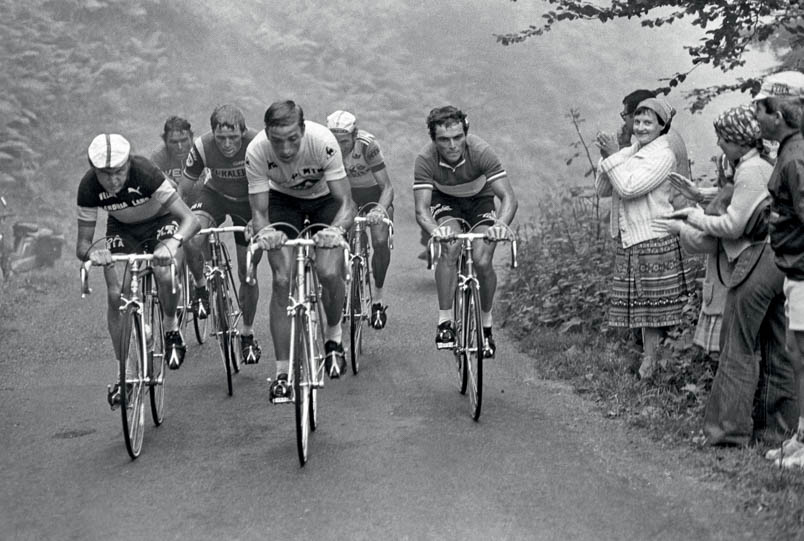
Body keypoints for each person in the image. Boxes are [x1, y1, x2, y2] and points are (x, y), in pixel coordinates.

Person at [656, 105, 796, 446]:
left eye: (722, 137)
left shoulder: (749, 170)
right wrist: (701, 195)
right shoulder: (763, 164)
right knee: (777, 347)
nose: (718, 142)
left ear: (737, 140)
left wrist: (690, 218)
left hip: (756, 260)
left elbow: (733, 225)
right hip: (779, 261)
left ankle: (727, 431)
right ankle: (776, 432)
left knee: (737, 346)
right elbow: (742, 203)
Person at [76, 134, 200, 408]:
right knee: (116, 295)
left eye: (119, 171)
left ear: (129, 163)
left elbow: (189, 220)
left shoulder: (145, 172)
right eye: (105, 175)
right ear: (94, 171)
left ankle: (170, 327)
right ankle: (126, 376)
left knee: (165, 272)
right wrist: (94, 253)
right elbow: (82, 245)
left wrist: (172, 243)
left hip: (161, 221)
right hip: (123, 229)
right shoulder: (88, 186)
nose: (114, 181)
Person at [246, 100, 356, 401]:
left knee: (329, 271)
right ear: (267, 134)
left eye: (292, 139)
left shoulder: (322, 141)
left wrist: (335, 230)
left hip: (325, 201)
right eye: (277, 140)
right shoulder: (256, 150)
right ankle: (282, 373)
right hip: (283, 202)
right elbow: (259, 211)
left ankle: (334, 339)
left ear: (303, 130)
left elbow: (347, 204)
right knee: (282, 281)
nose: (284, 149)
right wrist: (266, 232)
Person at [594, 97, 692, 379]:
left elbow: (627, 187)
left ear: (662, 127)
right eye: (637, 121)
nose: (640, 127)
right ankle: (651, 364)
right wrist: (607, 157)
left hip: (654, 238)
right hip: (635, 239)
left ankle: (653, 366)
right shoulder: (635, 150)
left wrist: (613, 156)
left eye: (648, 122)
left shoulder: (663, 155)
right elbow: (603, 189)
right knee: (644, 310)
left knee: (655, 311)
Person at [413, 106, 518, 357]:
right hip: (445, 201)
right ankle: (445, 321)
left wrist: (500, 225)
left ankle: (486, 325)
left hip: (480, 200)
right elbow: (422, 209)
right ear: (433, 139)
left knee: (482, 260)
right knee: (449, 246)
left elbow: (508, 198)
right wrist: (435, 231)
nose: (452, 145)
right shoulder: (425, 159)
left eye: (458, 137)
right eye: (443, 140)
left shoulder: (481, 151)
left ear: (466, 134)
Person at [178, 104, 262, 364]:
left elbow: (271, 186)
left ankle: (247, 334)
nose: (226, 144)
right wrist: (179, 220)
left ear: (243, 131)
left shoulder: (257, 143)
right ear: (212, 132)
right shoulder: (202, 146)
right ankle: (201, 287)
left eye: (233, 137)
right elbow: (183, 190)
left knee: (247, 274)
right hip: (214, 195)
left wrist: (261, 219)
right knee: (192, 239)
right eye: (221, 138)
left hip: (248, 202)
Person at [751, 71, 804, 466]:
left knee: (801, 354)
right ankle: (800, 435)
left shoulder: (796, 156)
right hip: (794, 271)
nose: (756, 117)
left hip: (803, 270)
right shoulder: (790, 150)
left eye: (761, 109)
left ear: (780, 113)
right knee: (795, 352)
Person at [326, 110, 394, 329]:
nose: (339, 146)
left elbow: (387, 187)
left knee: (380, 241)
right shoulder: (323, 145)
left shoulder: (367, 144)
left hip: (373, 194)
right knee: (335, 241)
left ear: (354, 136)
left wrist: (380, 210)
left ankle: (378, 300)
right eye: (335, 141)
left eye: (344, 141)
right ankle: (345, 285)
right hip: (345, 197)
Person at [150, 116, 193, 185]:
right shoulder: (158, 156)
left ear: (191, 137)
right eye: (174, 142)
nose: (180, 147)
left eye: (184, 140)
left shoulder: (201, 149)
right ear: (165, 141)